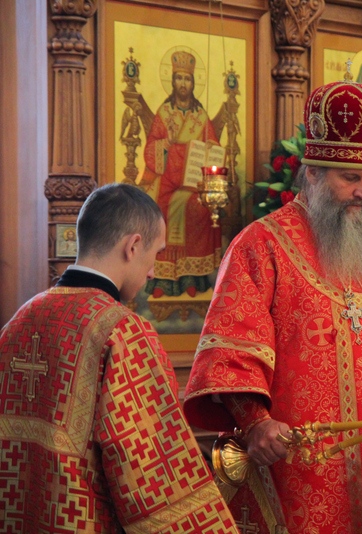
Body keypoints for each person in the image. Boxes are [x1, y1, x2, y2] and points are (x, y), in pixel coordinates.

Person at [184, 75, 362, 533]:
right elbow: (231, 351)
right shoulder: (261, 246)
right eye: (350, 178)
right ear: (312, 173)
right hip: (298, 468)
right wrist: (255, 422)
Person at [0, 183, 237, 532]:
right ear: (133, 246)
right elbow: (150, 469)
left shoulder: (20, 320)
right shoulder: (122, 330)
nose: (152, 271)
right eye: (156, 253)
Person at [141, 49, 221, 298]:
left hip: (193, 181)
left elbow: (214, 147)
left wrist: (210, 149)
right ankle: (162, 281)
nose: (183, 83)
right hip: (165, 179)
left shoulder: (200, 116)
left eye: (187, 79)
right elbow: (150, 148)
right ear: (173, 81)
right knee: (160, 209)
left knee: (199, 208)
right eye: (179, 78)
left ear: (193, 83)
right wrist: (166, 143)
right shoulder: (164, 114)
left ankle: (192, 277)